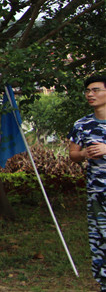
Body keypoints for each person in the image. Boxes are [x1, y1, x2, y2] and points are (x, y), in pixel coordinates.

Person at [69, 74, 106, 292]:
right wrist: (83, 154)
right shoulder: (82, 124)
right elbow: (73, 154)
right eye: (88, 91)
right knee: (100, 239)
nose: (90, 94)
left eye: (96, 90)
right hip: (97, 193)